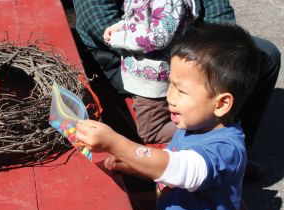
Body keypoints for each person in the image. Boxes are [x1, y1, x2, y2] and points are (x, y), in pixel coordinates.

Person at [76, 23, 260, 210]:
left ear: (221, 104)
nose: (169, 96)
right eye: (170, 83)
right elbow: (170, 169)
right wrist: (133, 165)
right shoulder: (192, 126)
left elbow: (181, 170)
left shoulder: (226, 149)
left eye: (181, 91)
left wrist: (117, 143)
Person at [73, 0, 281, 146]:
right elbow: (98, 24)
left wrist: (216, 55)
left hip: (182, 46)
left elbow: (218, 12)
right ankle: (217, 133)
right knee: (185, 101)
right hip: (123, 55)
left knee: (263, 56)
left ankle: (232, 149)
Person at [102, 0, 199, 144]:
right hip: (142, 76)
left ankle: (206, 127)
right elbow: (140, 20)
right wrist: (120, 27)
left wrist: (119, 38)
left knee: (151, 132)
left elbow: (159, 37)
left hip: (153, 81)